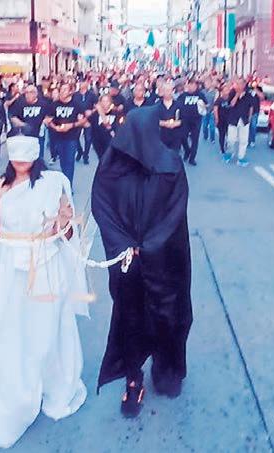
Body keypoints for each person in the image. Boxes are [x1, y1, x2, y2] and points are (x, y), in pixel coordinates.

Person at [0, 136, 88, 449]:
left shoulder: (53, 183)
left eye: (26, 155)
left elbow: (65, 232)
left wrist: (65, 222)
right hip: (8, 270)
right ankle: (16, 397)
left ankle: (52, 383)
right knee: (11, 333)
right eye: (15, 155)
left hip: (46, 264)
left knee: (46, 330)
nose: (20, 161)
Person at [92, 100, 193, 419]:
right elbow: (102, 209)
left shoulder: (169, 165)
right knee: (131, 318)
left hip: (165, 260)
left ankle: (166, 369)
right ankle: (133, 378)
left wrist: (147, 245)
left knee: (169, 315)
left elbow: (174, 213)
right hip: (128, 261)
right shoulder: (110, 167)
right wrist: (125, 244)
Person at [46, 82, 86, 184]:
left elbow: (82, 120)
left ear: (70, 92)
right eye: (61, 90)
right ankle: (64, 181)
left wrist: (71, 125)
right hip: (58, 136)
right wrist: (55, 127)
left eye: (65, 89)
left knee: (69, 162)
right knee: (63, 162)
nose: (62, 92)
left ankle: (68, 185)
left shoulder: (76, 104)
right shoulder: (55, 104)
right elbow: (48, 119)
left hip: (71, 137)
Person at [223, 79, 254, 167]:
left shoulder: (248, 94)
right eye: (237, 83)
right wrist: (237, 94)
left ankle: (241, 157)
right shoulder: (232, 93)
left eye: (240, 84)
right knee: (231, 139)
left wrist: (249, 118)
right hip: (233, 119)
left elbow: (251, 107)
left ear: (244, 85)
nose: (238, 85)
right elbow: (231, 104)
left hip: (244, 120)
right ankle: (229, 153)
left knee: (243, 140)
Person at [177, 78, 205, 166]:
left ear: (196, 86)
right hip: (185, 120)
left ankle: (192, 158)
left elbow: (205, 105)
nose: (192, 87)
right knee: (182, 137)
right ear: (187, 85)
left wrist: (203, 106)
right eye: (191, 85)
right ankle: (187, 150)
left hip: (196, 120)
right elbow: (177, 106)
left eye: (194, 85)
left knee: (195, 140)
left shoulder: (200, 95)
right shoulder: (183, 96)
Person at [89, 94, 123, 159]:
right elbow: (89, 123)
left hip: (110, 139)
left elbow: (118, 126)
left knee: (107, 158)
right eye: (103, 101)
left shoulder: (116, 113)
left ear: (111, 102)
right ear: (100, 102)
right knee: (101, 157)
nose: (105, 103)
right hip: (97, 139)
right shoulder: (95, 114)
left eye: (107, 101)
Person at [75, 79, 98, 164]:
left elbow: (97, 106)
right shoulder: (75, 95)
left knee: (88, 139)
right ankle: (80, 151)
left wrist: (91, 111)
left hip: (89, 119)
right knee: (75, 137)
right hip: (78, 119)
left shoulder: (92, 95)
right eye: (81, 82)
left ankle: (86, 155)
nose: (82, 84)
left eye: (84, 82)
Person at [157, 81, 183, 152]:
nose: (167, 92)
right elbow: (153, 119)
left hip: (175, 137)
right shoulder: (157, 106)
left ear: (173, 91)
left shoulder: (179, 105)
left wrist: (176, 123)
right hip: (161, 136)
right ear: (162, 92)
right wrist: (164, 123)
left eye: (169, 90)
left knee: (174, 156)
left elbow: (184, 119)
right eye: (165, 90)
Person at [214, 83, 232, 154]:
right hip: (221, 120)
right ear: (221, 92)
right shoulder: (219, 100)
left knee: (230, 135)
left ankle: (227, 146)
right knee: (222, 135)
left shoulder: (230, 99)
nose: (227, 91)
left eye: (228, 90)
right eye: (225, 90)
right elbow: (215, 109)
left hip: (229, 120)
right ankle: (222, 148)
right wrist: (216, 119)